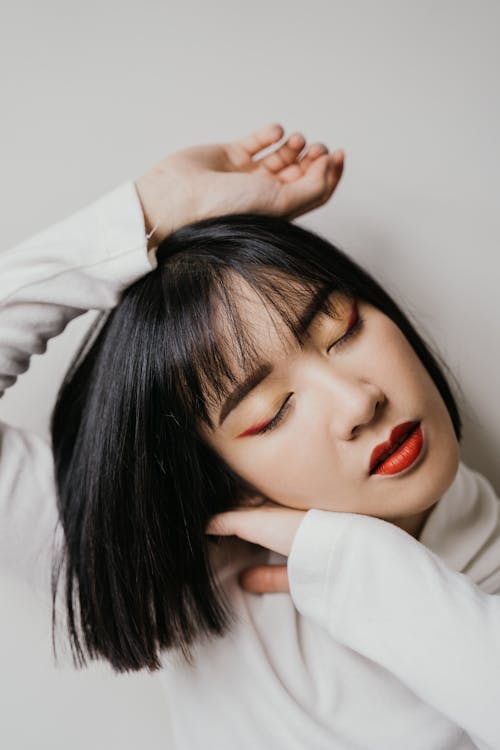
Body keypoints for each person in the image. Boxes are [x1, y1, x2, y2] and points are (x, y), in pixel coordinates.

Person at [1, 124, 499, 750]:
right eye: (270, 411)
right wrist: (148, 209)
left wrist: (365, 569)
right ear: (226, 479)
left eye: (341, 330)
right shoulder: (190, 586)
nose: (359, 401)